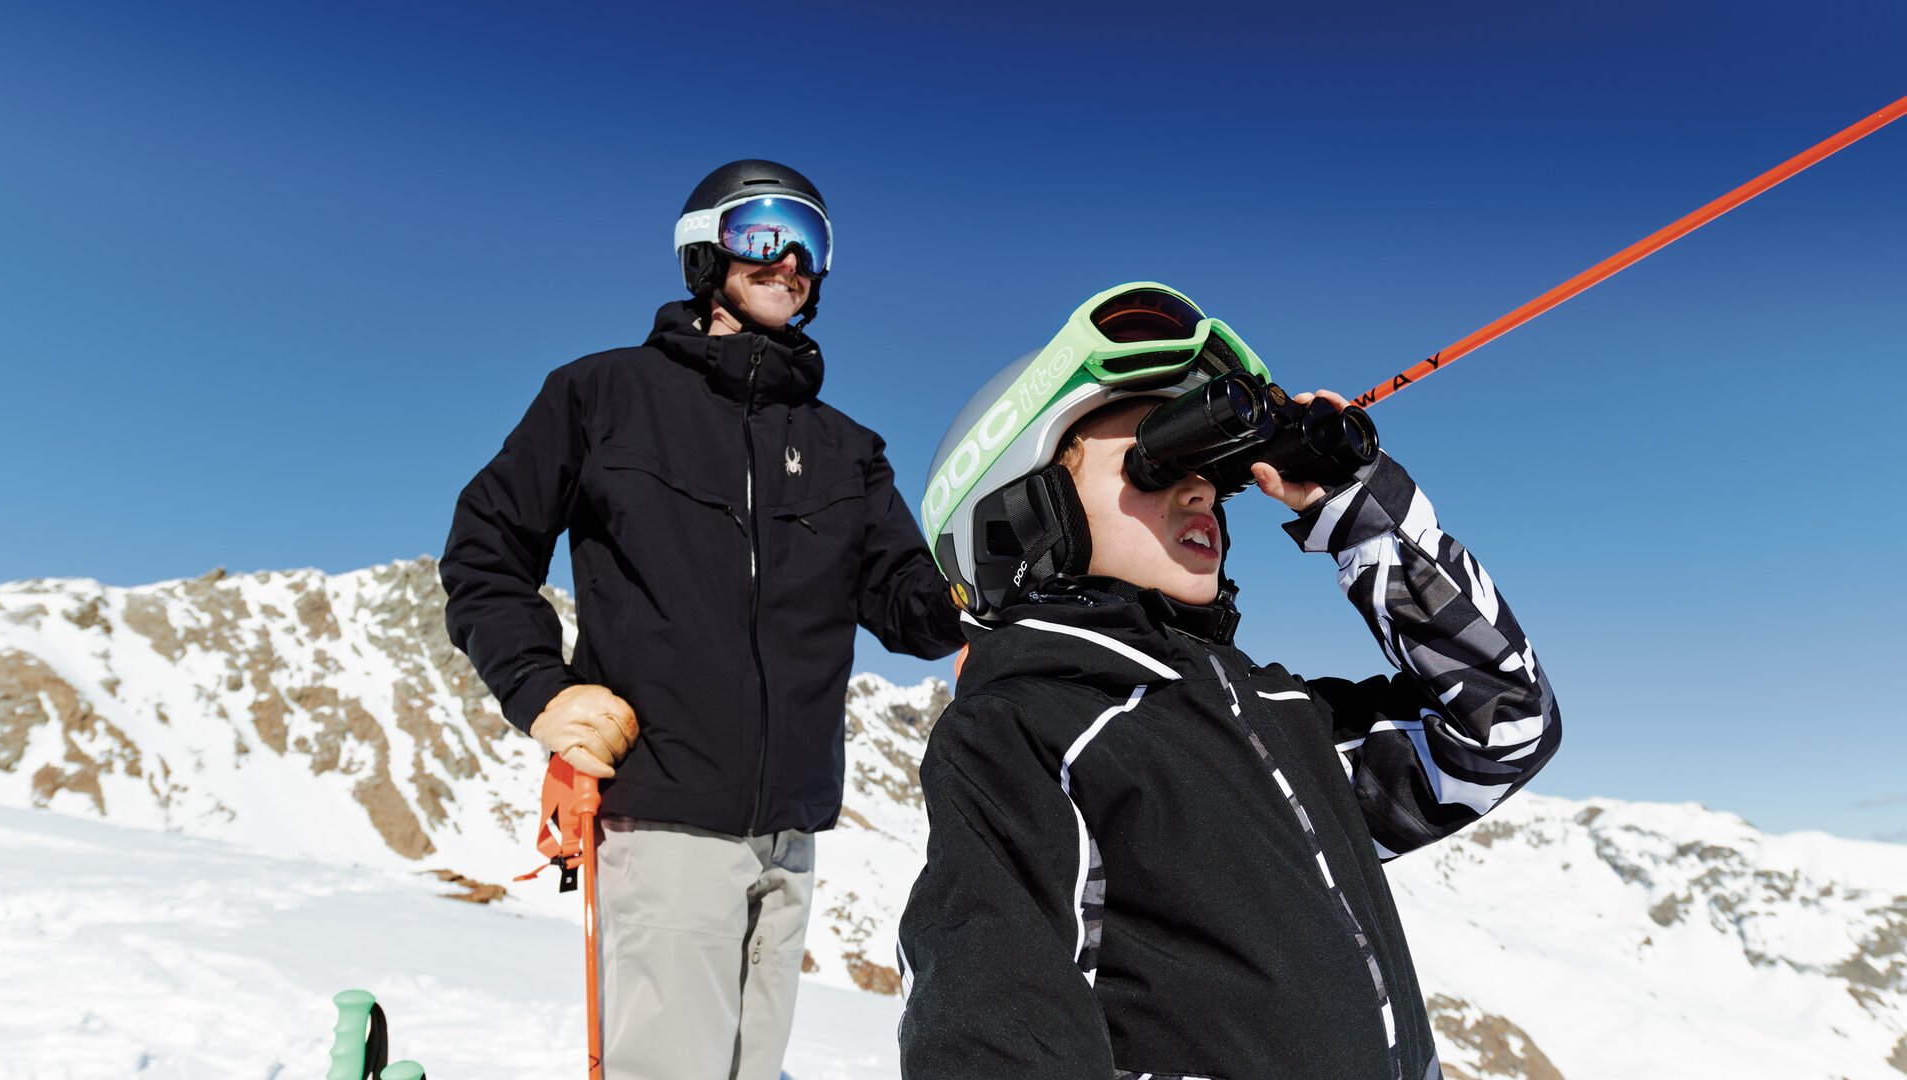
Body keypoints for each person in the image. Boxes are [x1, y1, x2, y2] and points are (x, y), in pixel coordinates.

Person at [896, 283, 1561, 1080]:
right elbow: (990, 1029)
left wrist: (1357, 512)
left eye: (1208, 468)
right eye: (1152, 461)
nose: (1202, 489)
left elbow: (1502, 724)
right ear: (1025, 517)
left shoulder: (1278, 717)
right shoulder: (1025, 732)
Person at [439, 159, 963, 1079]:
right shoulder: (602, 395)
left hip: (791, 834)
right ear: (702, 252)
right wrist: (540, 689)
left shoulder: (845, 449)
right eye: (763, 230)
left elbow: (908, 605)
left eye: (811, 241)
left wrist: (982, 589)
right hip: (665, 819)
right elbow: (486, 548)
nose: (789, 259)